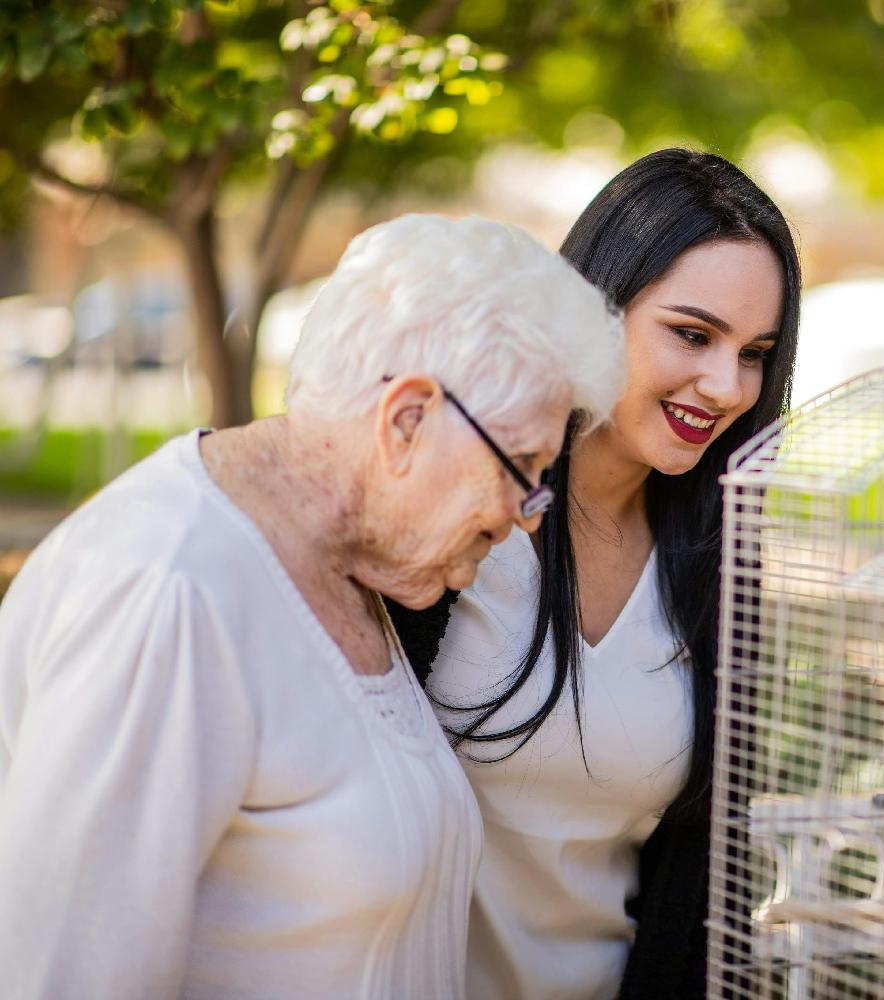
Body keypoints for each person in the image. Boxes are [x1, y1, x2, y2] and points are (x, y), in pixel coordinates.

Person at [0, 214, 623, 999]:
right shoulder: (170, 591)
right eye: (523, 467)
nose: (528, 513)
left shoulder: (361, 568)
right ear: (407, 421)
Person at [389, 149, 801, 999]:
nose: (725, 386)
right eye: (692, 334)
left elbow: (705, 882)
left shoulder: (719, 569)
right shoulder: (462, 521)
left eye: (755, 352)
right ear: (597, 308)